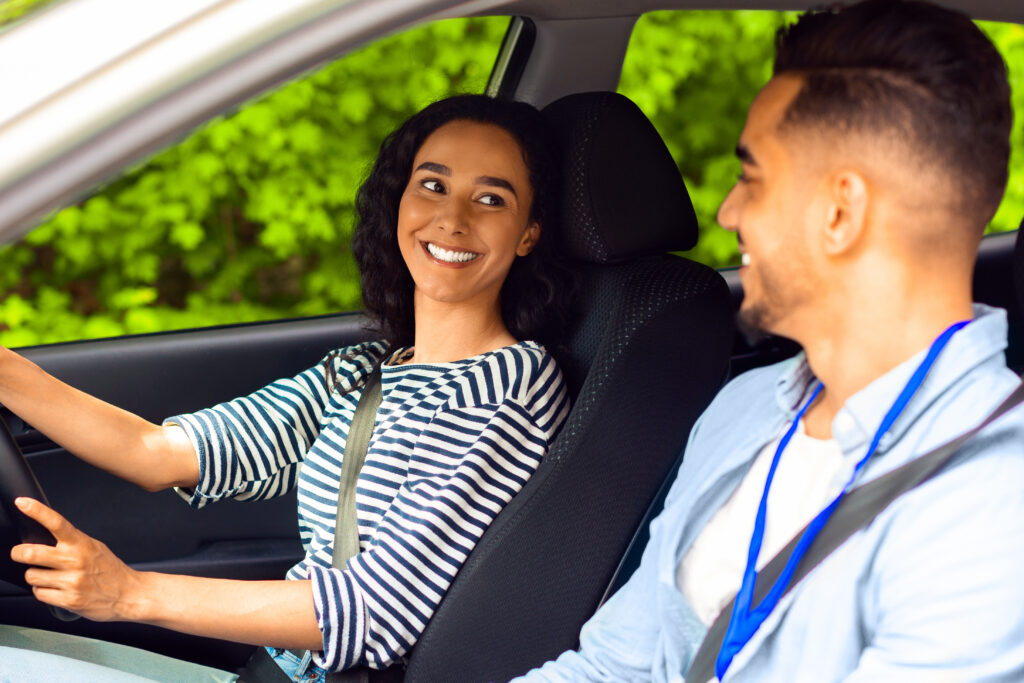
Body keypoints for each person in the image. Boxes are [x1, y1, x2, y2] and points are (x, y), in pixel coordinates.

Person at [515, 1, 1024, 681]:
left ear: (840, 212)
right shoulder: (746, 408)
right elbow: (614, 666)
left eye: (752, 175)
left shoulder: (990, 506)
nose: (726, 211)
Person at [0, 94, 571, 681]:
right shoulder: (365, 370)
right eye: (432, 186)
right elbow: (159, 454)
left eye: (490, 199)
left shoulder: (507, 386)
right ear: (399, 202)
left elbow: (373, 612)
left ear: (528, 233)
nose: (453, 219)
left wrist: (127, 593)